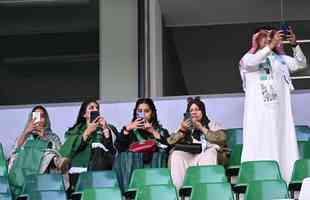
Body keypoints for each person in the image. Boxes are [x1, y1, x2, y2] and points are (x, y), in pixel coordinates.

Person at [239, 26, 307, 182]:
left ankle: (285, 182)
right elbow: (249, 64)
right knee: (259, 146)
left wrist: (294, 45)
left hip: (280, 116)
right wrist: (259, 47)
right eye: (263, 36)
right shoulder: (249, 57)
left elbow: (300, 64)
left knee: (282, 146)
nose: (268, 38)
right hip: (258, 117)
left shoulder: (280, 59)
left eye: (270, 35)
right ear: (255, 39)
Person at [167, 97, 227, 190]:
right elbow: (170, 142)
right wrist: (182, 130)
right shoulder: (184, 127)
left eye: (197, 109)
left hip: (206, 154)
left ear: (202, 111)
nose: (194, 112)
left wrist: (202, 128)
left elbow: (222, 138)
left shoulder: (212, 124)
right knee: (176, 155)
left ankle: (208, 190)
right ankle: (180, 191)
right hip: (190, 156)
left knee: (210, 153)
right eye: (191, 110)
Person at [8, 105, 66, 198]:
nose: (39, 119)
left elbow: (59, 153)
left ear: (46, 119)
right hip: (23, 177)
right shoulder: (24, 137)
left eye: (42, 116)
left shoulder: (53, 137)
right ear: (31, 119)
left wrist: (43, 138)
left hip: (43, 177)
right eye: (36, 116)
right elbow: (14, 153)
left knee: (50, 154)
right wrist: (26, 132)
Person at [113, 98, 170, 193]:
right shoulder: (130, 131)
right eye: (139, 111)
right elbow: (119, 148)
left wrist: (152, 131)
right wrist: (127, 129)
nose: (143, 114)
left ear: (152, 113)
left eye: (146, 111)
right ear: (135, 113)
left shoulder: (160, 131)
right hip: (133, 167)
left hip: (153, 167)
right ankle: (130, 191)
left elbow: (167, 149)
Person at [59, 98, 118, 171]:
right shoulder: (75, 130)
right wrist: (87, 132)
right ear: (84, 114)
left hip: (101, 169)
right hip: (80, 170)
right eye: (91, 108)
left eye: (97, 108)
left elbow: (112, 149)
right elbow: (71, 149)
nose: (95, 110)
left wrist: (105, 129)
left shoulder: (107, 128)